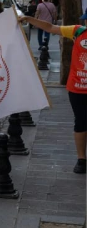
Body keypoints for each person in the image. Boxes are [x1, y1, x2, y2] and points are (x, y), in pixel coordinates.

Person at [20, 14, 87, 173]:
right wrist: (29, 19)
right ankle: (81, 159)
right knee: (81, 122)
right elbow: (51, 28)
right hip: (77, 87)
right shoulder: (77, 31)